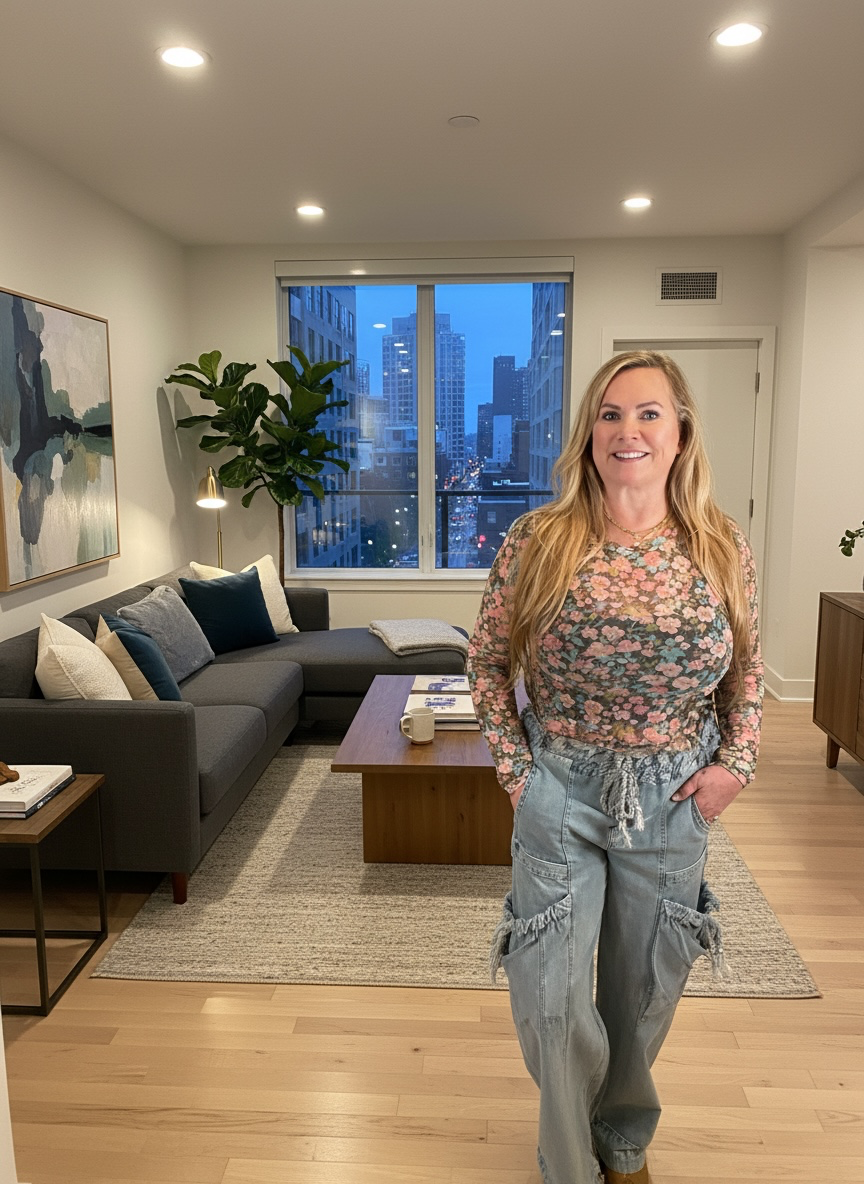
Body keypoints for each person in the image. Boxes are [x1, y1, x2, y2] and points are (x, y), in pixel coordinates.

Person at [467, 351, 763, 1184]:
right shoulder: (539, 539)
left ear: (680, 433)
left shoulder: (720, 546)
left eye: (647, 414)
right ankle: (567, 1163)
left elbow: (747, 667)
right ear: (587, 435)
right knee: (554, 1002)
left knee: (642, 995)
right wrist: (519, 774)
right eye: (609, 413)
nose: (626, 430)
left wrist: (735, 763)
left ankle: (621, 1140)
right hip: (561, 783)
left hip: (675, 793)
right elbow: (487, 664)